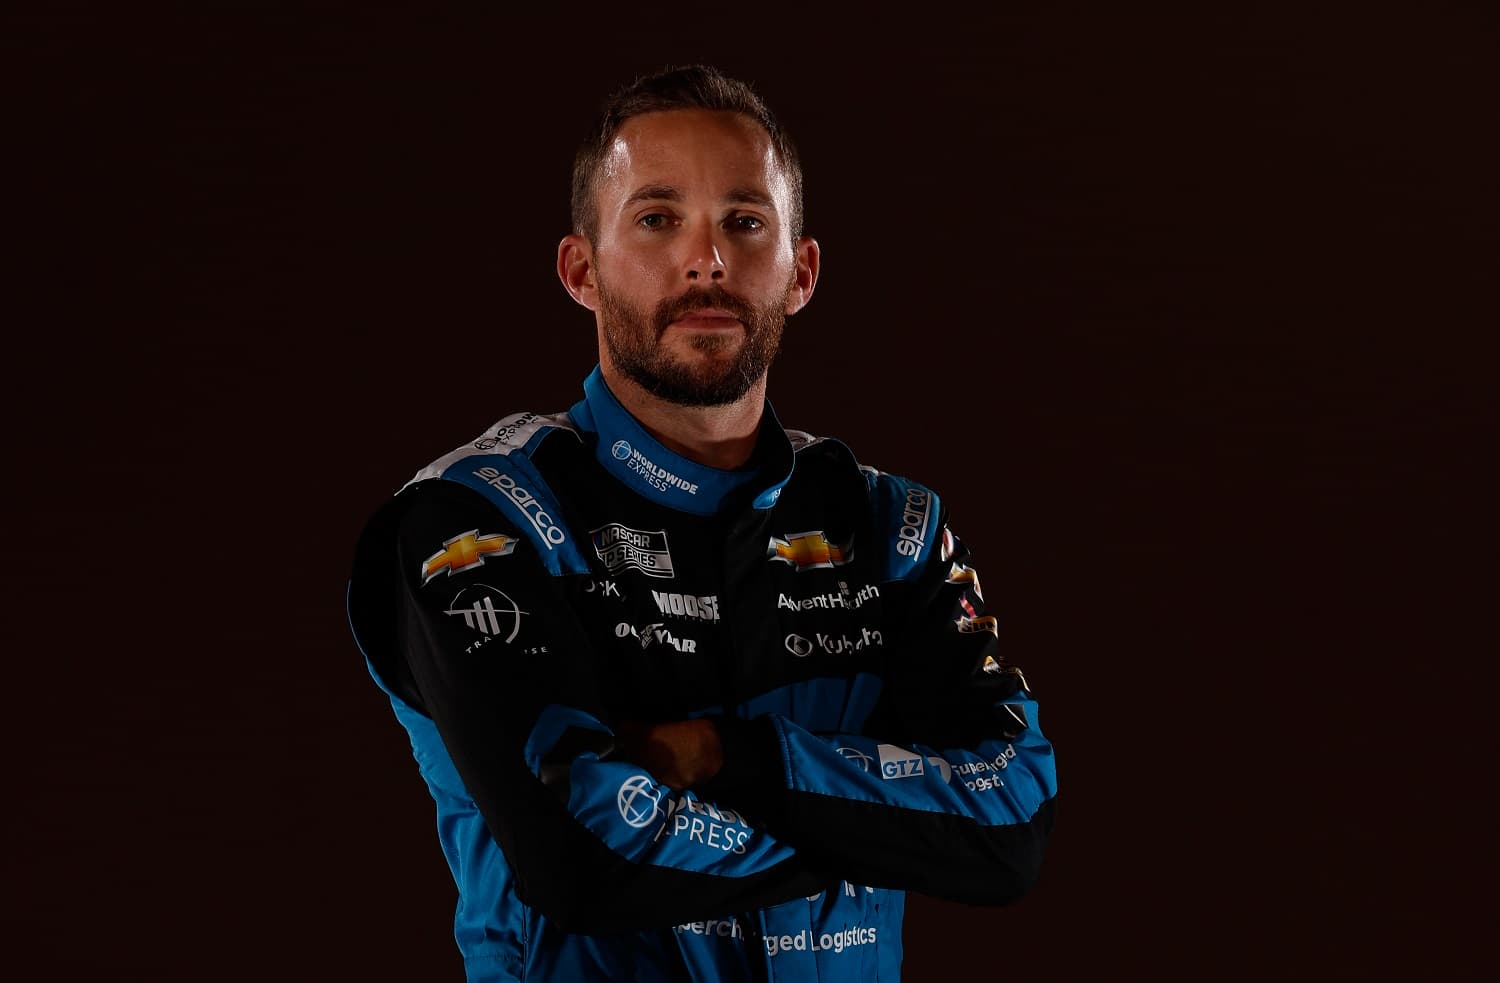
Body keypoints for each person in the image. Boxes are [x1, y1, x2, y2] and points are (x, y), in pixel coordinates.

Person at [347, 64, 1057, 982]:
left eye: (744, 220)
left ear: (800, 273)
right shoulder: (477, 520)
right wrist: (893, 831)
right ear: (581, 270)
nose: (706, 258)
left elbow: (1015, 822)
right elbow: (581, 850)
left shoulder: (890, 525)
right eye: (657, 218)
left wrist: (725, 755)